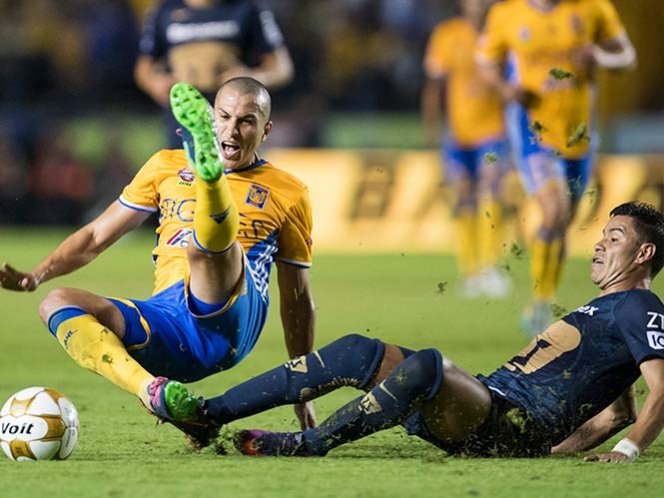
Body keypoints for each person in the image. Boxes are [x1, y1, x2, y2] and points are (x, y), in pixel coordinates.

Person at [176, 202, 663, 463]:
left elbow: (658, 390)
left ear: (643, 256)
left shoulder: (639, 303)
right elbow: (617, 411)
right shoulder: (610, 309)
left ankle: (310, 444)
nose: (599, 246)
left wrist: (625, 452)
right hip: (488, 407)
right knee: (356, 350)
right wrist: (559, 451)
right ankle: (209, 415)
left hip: (509, 421)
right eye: (602, 236)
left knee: (428, 363)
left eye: (614, 238)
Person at [0, 78, 316, 432]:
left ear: (266, 129)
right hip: (170, 322)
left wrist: (303, 390)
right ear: (210, 119)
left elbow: (297, 297)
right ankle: (152, 391)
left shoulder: (290, 193)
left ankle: (210, 182)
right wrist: (37, 275)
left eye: (247, 121)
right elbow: (94, 236)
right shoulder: (164, 166)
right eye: (224, 117)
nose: (232, 129)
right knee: (55, 303)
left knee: (204, 250)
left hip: (231, 320)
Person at [475, 0, 636, 333]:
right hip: (532, 130)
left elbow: (627, 57)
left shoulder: (593, 9)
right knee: (553, 209)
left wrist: (598, 56)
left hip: (579, 134)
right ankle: (538, 309)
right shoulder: (507, 15)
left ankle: (543, 301)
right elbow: (485, 63)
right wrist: (507, 89)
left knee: (562, 220)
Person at [421, 0, 511, 298]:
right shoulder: (447, 34)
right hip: (457, 133)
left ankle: (491, 266)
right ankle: (470, 271)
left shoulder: (503, 33)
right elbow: (434, 85)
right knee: (462, 196)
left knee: (491, 187)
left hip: (492, 130)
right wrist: (431, 127)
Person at [135, 0, 294, 148]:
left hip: (233, 112)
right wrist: (156, 83)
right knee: (184, 173)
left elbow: (282, 68)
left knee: (232, 174)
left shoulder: (247, 7)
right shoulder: (164, 10)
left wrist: (250, 79)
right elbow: (143, 69)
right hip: (184, 113)